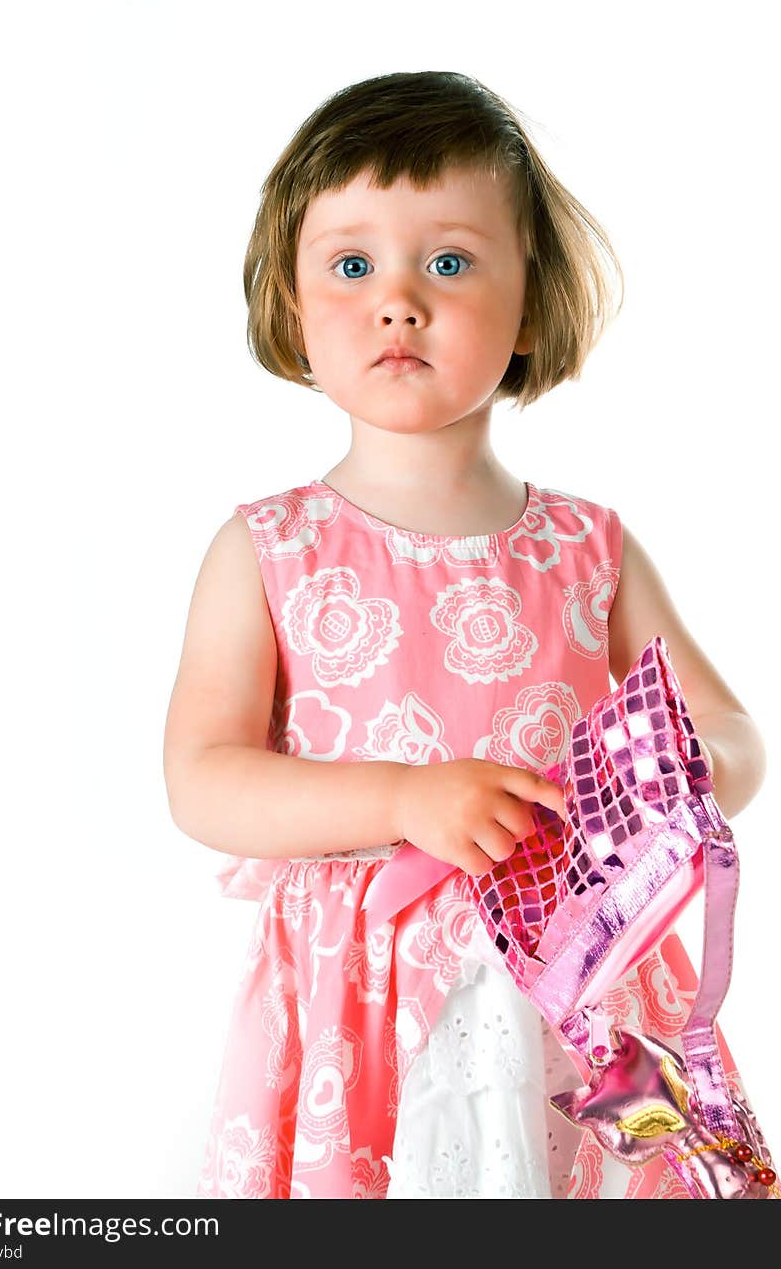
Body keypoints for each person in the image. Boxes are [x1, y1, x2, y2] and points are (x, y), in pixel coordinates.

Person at [163, 71, 767, 1199]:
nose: (398, 300)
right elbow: (204, 780)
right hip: (366, 1004)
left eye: (447, 261)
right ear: (292, 305)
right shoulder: (268, 548)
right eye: (352, 266)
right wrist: (401, 799)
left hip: (575, 978)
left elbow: (729, 732)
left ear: (530, 304)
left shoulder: (588, 548)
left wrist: (654, 784)